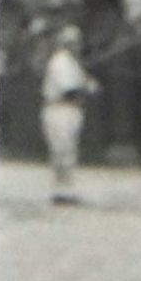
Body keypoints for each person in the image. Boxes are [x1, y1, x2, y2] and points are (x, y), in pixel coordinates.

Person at [39, 23, 96, 204]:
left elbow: (85, 85)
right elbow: (69, 90)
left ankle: (66, 191)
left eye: (77, 41)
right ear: (64, 43)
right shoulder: (60, 61)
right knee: (61, 150)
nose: (76, 45)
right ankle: (60, 191)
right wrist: (87, 87)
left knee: (69, 151)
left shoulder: (73, 62)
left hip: (72, 109)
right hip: (59, 109)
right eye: (71, 41)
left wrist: (88, 85)